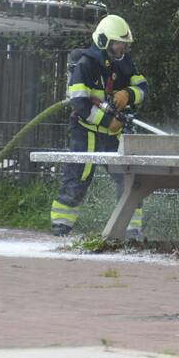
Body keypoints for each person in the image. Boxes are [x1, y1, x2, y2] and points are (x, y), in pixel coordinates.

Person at [49, 14, 149, 239]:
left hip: (113, 135)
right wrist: (107, 121)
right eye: (117, 42)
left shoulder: (125, 63)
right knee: (79, 176)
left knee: (128, 178)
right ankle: (61, 225)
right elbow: (79, 102)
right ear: (103, 40)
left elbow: (143, 87)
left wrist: (128, 94)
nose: (121, 47)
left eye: (123, 44)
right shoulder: (86, 64)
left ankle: (131, 229)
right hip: (87, 131)